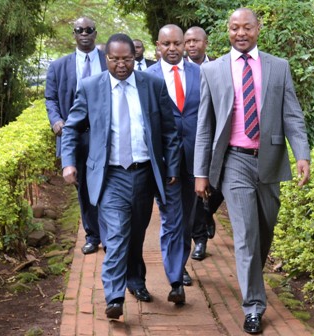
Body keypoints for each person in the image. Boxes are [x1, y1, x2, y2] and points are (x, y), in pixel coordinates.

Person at [194, 8, 310, 335]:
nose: (240, 33)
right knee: (245, 235)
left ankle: (251, 279)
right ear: (227, 32)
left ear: (258, 29)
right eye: (234, 28)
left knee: (265, 227)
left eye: (247, 27)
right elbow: (205, 128)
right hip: (233, 161)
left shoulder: (278, 67)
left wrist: (302, 154)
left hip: (270, 160)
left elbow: (293, 117)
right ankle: (254, 307)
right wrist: (200, 173)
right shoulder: (213, 71)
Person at [60, 33, 180, 319]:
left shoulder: (153, 85)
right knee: (115, 236)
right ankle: (114, 298)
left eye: (126, 58)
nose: (121, 64)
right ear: (107, 59)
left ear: (134, 57)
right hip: (110, 174)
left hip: (144, 173)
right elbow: (72, 128)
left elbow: (169, 131)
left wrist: (172, 168)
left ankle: (135, 280)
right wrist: (68, 162)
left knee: (136, 234)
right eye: (114, 59)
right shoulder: (91, 87)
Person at [145, 24, 201, 297]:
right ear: (158, 45)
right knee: (170, 219)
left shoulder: (201, 74)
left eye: (177, 43)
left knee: (187, 221)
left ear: (184, 44)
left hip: (194, 160)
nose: (172, 49)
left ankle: (180, 265)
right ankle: (176, 280)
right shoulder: (146, 77)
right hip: (165, 162)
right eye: (166, 44)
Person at [45, 17, 107, 255]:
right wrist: (56, 120)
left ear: (95, 33)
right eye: (80, 30)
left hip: (103, 134)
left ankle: (109, 233)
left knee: (106, 183)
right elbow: (50, 98)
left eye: (89, 29)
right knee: (82, 187)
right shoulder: (59, 66)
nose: (84, 33)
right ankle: (92, 235)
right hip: (74, 135)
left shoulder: (107, 60)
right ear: (74, 34)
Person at [184, 26, 224, 261]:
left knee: (219, 186)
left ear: (205, 43)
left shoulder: (220, 67)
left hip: (220, 138)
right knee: (196, 189)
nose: (191, 45)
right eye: (187, 41)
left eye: (195, 41)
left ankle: (209, 212)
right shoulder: (181, 70)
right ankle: (199, 240)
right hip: (193, 139)